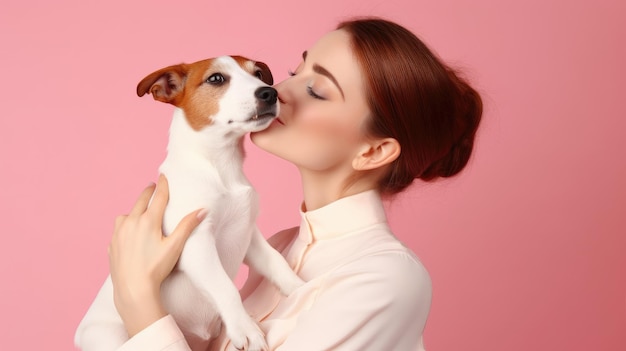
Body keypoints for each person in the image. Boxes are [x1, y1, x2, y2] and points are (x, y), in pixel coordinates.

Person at [107, 17, 482, 351]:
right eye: (293, 70)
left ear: (373, 151)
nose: (278, 91)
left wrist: (139, 303)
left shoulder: (385, 280)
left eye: (317, 90)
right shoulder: (278, 248)